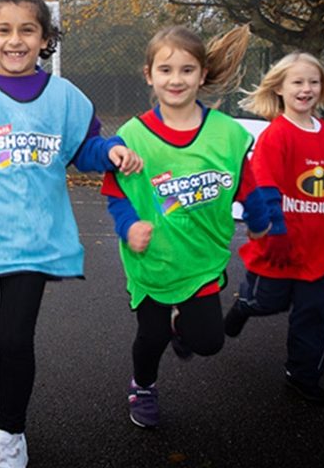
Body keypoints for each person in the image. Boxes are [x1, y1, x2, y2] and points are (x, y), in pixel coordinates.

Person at [0, 0, 141, 468]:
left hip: (35, 240)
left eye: (27, 30)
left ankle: (10, 433)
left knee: (17, 340)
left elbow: (83, 149)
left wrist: (111, 152)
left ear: (45, 39)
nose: (15, 40)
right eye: (4, 30)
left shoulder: (64, 98)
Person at [100, 24, 280, 429]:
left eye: (186, 70)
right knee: (152, 336)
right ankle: (142, 385)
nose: (176, 79)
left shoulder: (227, 133)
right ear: (149, 74)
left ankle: (183, 325)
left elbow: (245, 182)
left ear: (202, 74)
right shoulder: (134, 135)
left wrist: (258, 219)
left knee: (209, 343)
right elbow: (116, 194)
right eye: (166, 70)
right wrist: (128, 227)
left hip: (201, 258)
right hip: (154, 262)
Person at [226, 52, 324, 404]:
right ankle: (244, 304)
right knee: (266, 303)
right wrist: (276, 232)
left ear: (323, 88)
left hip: (318, 253)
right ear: (280, 89)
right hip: (280, 247)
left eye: (313, 82)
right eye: (297, 82)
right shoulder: (276, 136)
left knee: (313, 313)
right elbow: (265, 189)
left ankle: (302, 376)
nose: (306, 89)